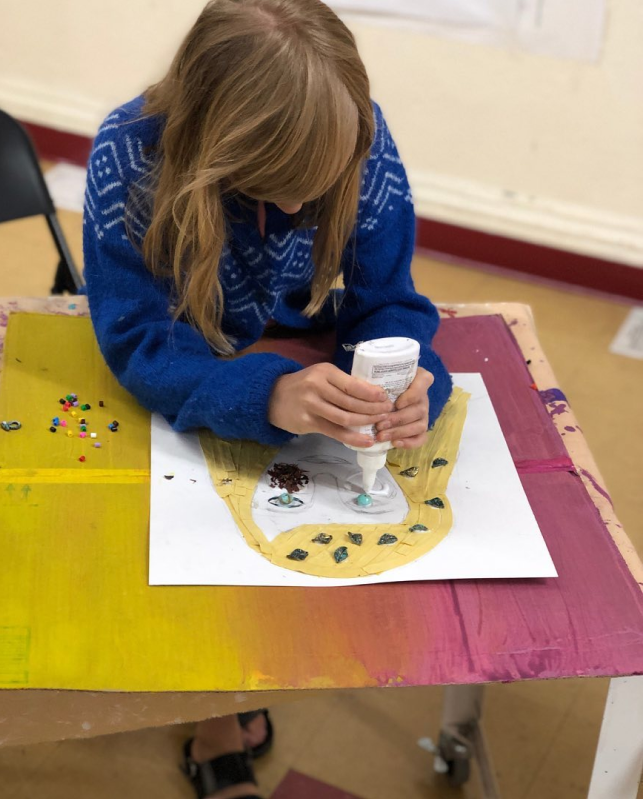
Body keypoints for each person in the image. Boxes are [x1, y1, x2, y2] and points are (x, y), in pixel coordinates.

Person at [79, 1, 451, 797]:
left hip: (302, 342)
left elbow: (391, 301)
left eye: (311, 197)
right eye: (275, 192)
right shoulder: (128, 157)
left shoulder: (361, 136)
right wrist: (266, 395)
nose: (292, 215)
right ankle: (217, 716)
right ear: (214, 148)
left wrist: (411, 377)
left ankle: (241, 688)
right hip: (189, 354)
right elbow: (138, 342)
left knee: (291, 537)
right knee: (196, 546)